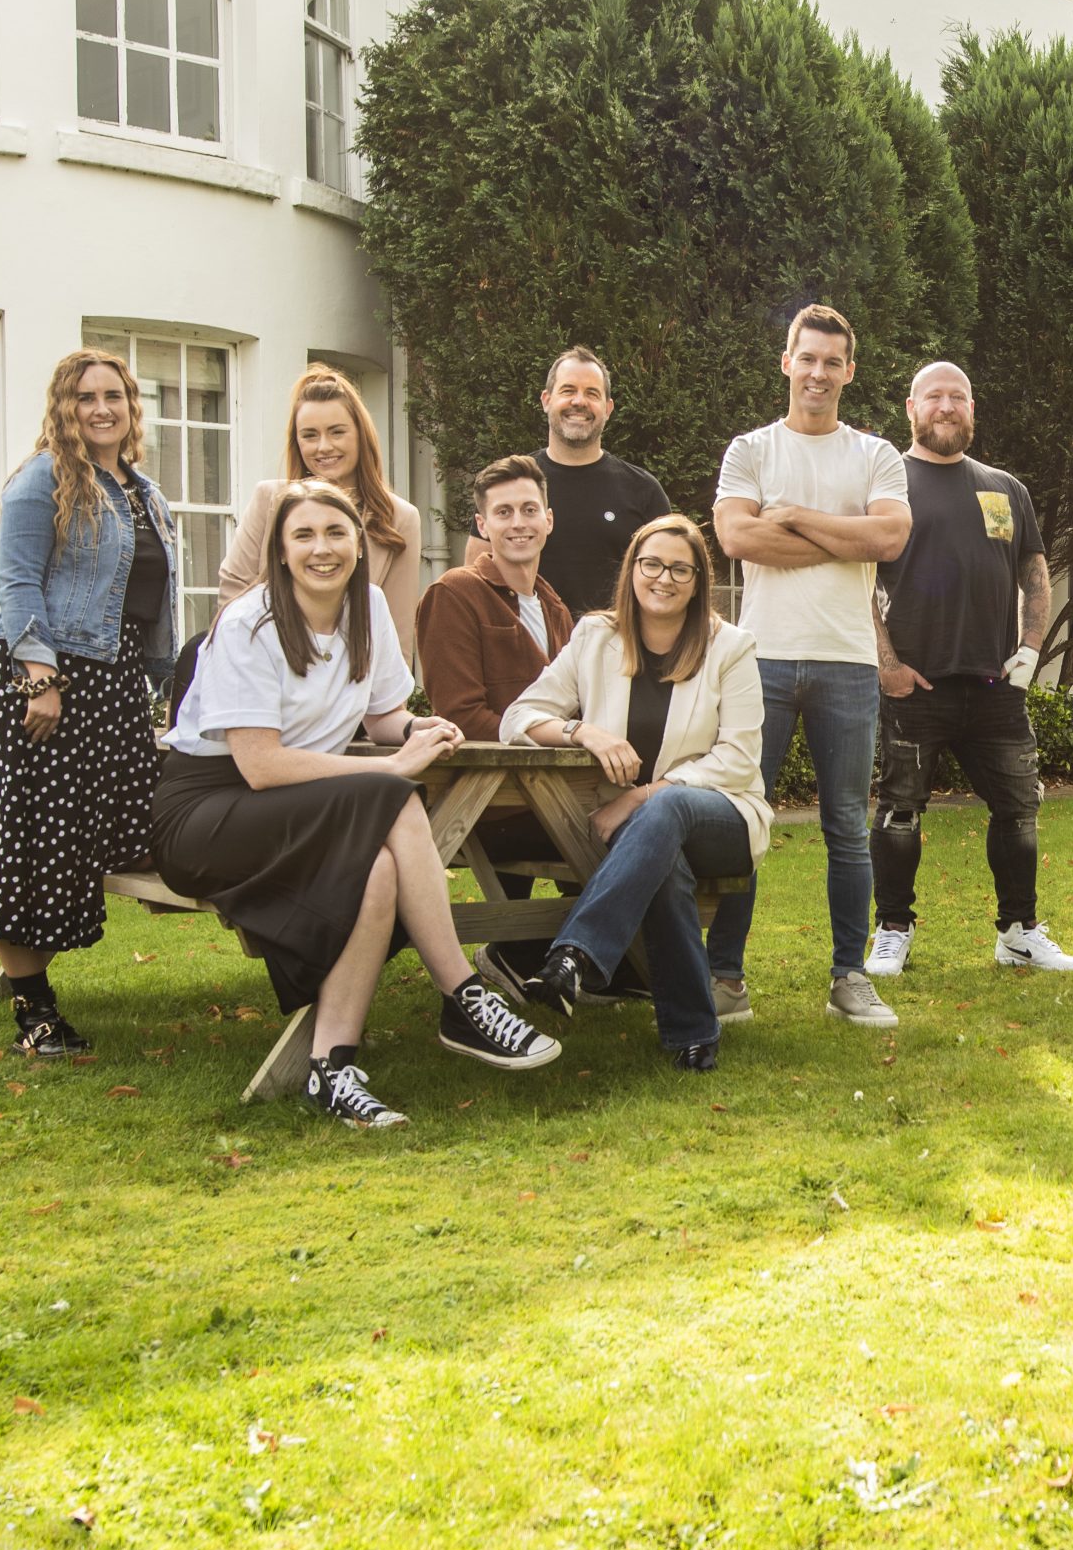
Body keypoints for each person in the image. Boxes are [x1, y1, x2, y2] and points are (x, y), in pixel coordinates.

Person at [155, 481, 559, 1129]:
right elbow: (258, 765)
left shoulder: (366, 607)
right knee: (392, 793)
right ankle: (463, 992)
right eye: (304, 535)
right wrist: (390, 767)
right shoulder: (249, 621)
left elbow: (382, 714)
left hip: (298, 801)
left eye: (336, 533)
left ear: (359, 543)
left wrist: (414, 732)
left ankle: (331, 1066)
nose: (322, 548)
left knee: (377, 870)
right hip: (207, 810)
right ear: (281, 551)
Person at [0, 348, 180, 1056]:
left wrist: (169, 687)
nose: (102, 408)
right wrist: (39, 679)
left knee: (92, 841)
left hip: (115, 683)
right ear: (64, 406)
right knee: (28, 843)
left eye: (114, 395)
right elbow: (16, 586)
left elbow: (154, 605)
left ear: (131, 406)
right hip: (47, 679)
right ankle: (35, 1013)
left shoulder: (144, 492)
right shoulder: (41, 480)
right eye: (86, 397)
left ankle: (32, 983)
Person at [503, 516, 772, 1071]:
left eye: (680, 569)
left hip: (723, 818)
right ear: (632, 570)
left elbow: (740, 758)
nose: (663, 578)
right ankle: (692, 1033)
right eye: (651, 564)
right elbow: (520, 716)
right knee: (664, 865)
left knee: (667, 807)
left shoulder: (732, 647)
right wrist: (584, 731)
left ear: (699, 582)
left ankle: (574, 952)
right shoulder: (595, 636)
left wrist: (641, 795)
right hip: (642, 838)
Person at [710, 304, 911, 1029]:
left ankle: (849, 978)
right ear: (786, 362)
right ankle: (724, 977)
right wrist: (842, 536)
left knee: (847, 829)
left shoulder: (876, 455)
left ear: (849, 371)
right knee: (740, 823)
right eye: (808, 358)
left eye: (833, 361)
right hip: (757, 661)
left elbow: (889, 537)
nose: (819, 372)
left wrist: (792, 517)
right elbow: (736, 535)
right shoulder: (751, 449)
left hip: (848, 664)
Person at [866, 363, 1073, 976]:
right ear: (911, 408)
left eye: (957, 396)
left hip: (996, 689)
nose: (945, 406)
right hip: (916, 686)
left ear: (971, 408)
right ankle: (892, 931)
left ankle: (1019, 933)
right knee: (900, 810)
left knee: (1018, 810)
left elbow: (1034, 573)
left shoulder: (1004, 488)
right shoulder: (888, 486)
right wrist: (887, 665)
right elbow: (858, 582)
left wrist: (1032, 647)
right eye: (933, 396)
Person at [413, 453, 574, 997]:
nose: (519, 522)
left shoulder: (553, 607)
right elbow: (459, 715)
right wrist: (555, 751)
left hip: (555, 793)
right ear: (482, 525)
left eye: (530, 509)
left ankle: (573, 957)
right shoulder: (454, 593)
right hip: (486, 799)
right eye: (503, 513)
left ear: (550, 519)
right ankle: (524, 951)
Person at [221, 366, 426, 646]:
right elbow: (231, 600)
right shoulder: (269, 500)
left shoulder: (399, 518)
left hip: (351, 677)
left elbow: (397, 636)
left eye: (336, 432)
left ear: (360, 435)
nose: (323, 447)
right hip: (265, 670)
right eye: (309, 435)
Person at [462, 346, 671, 616]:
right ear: (546, 400)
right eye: (568, 390)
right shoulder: (510, 486)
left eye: (592, 393)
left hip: (616, 651)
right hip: (525, 649)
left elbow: (666, 581)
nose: (579, 401)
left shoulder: (644, 491)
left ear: (608, 408)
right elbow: (474, 580)